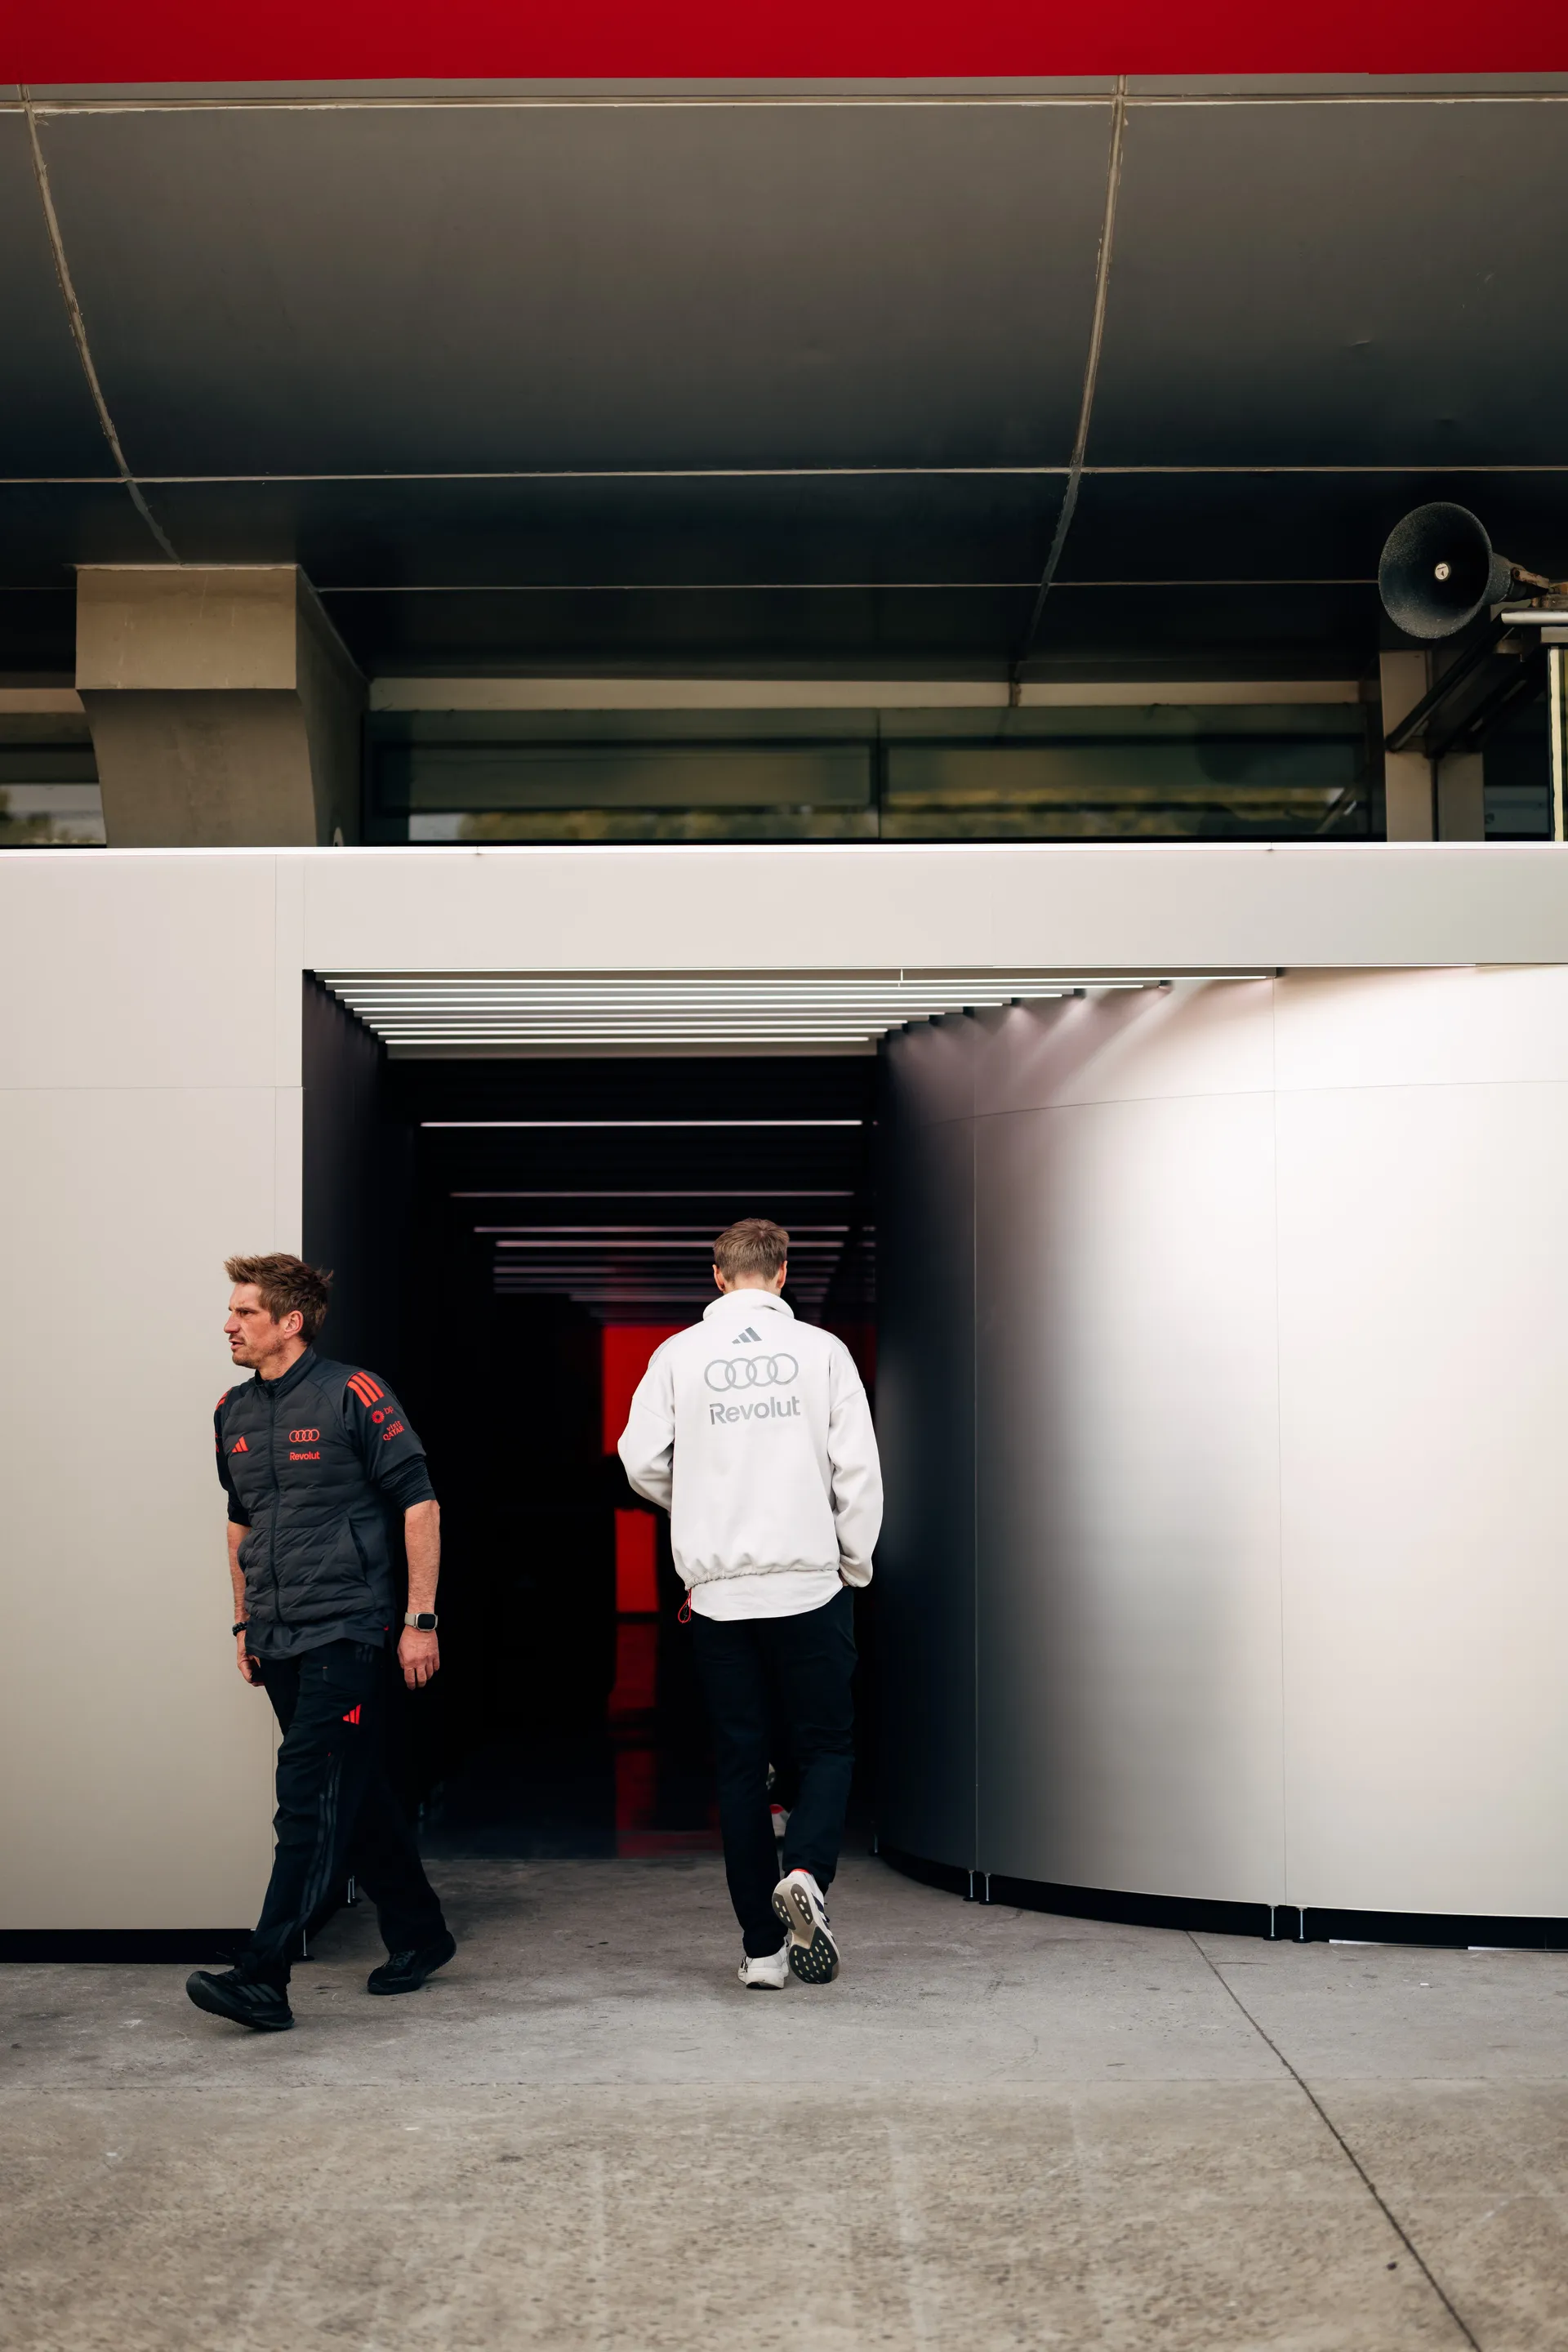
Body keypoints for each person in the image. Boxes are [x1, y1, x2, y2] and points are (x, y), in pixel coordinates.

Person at [185, 1254, 455, 2033]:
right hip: (278, 1633)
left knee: (305, 1797)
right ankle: (420, 1933)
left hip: (348, 1627)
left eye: (244, 1313)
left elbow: (419, 1504)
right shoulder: (230, 1410)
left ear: (289, 1323)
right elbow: (242, 1521)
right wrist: (243, 1622)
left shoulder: (353, 1393)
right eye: (231, 1312)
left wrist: (419, 1619)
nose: (228, 1325)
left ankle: (263, 1976)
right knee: (353, 1792)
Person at [618, 1218, 882, 1989]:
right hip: (810, 1583)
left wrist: (693, 1508)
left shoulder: (677, 1355)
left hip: (720, 1595)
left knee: (740, 1766)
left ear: (718, 1276)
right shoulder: (823, 1352)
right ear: (784, 1272)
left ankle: (764, 1951)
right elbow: (857, 1469)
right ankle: (805, 1872)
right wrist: (854, 1565)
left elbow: (639, 1461)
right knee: (827, 1746)